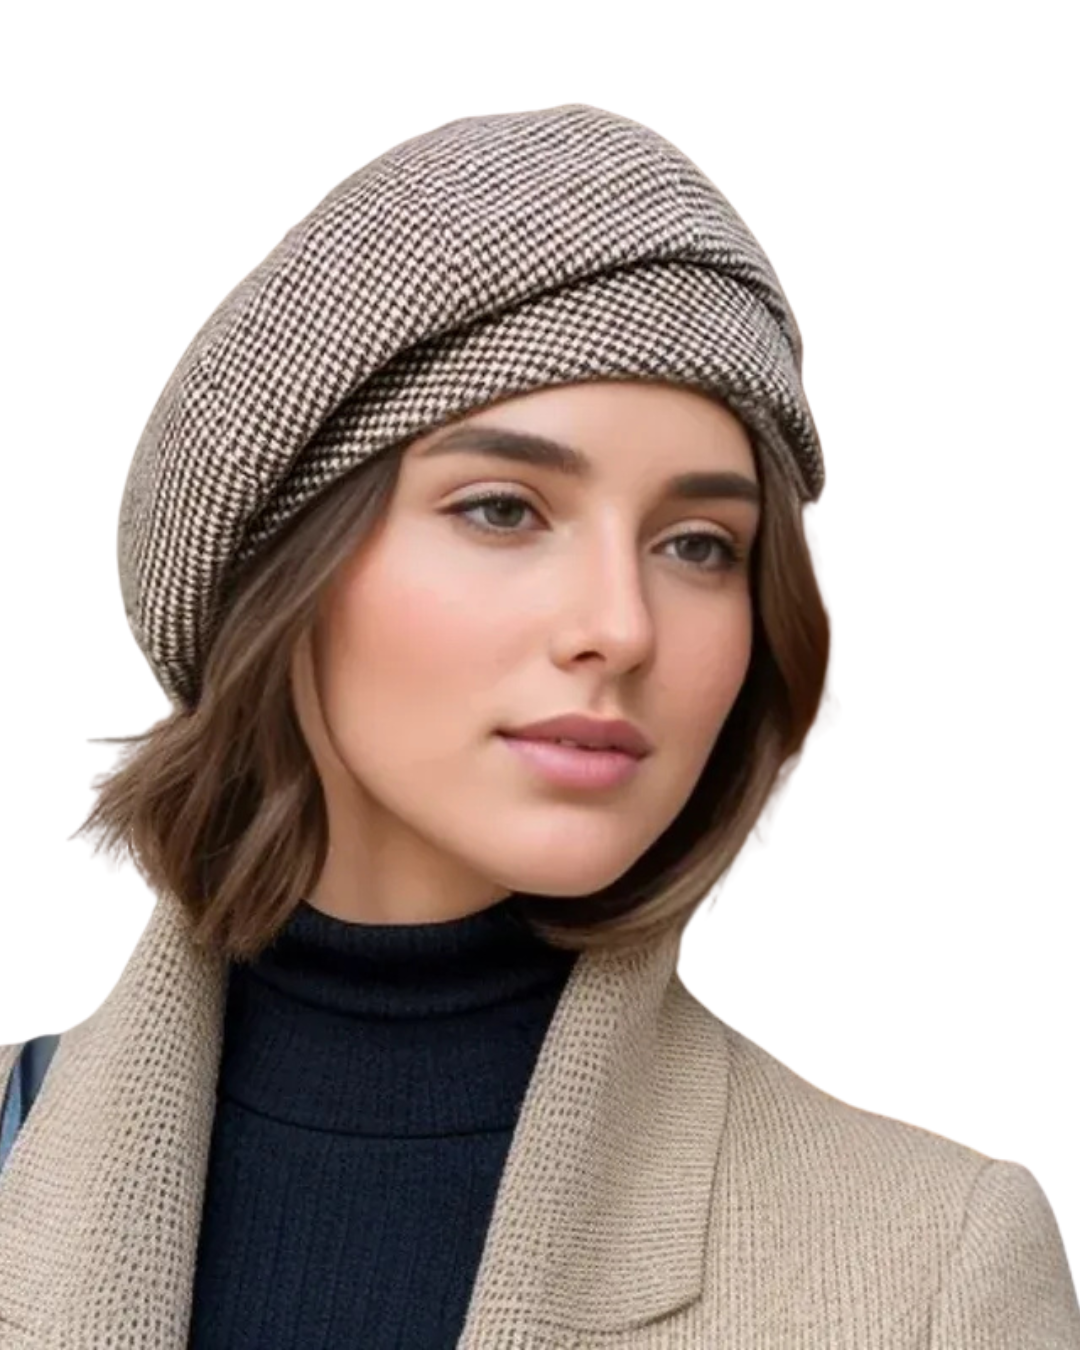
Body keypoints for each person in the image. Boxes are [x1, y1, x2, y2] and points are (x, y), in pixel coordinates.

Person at [0, 102, 1076, 1349]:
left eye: (699, 544)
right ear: (280, 564)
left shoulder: (928, 1269)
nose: (621, 626)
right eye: (504, 510)